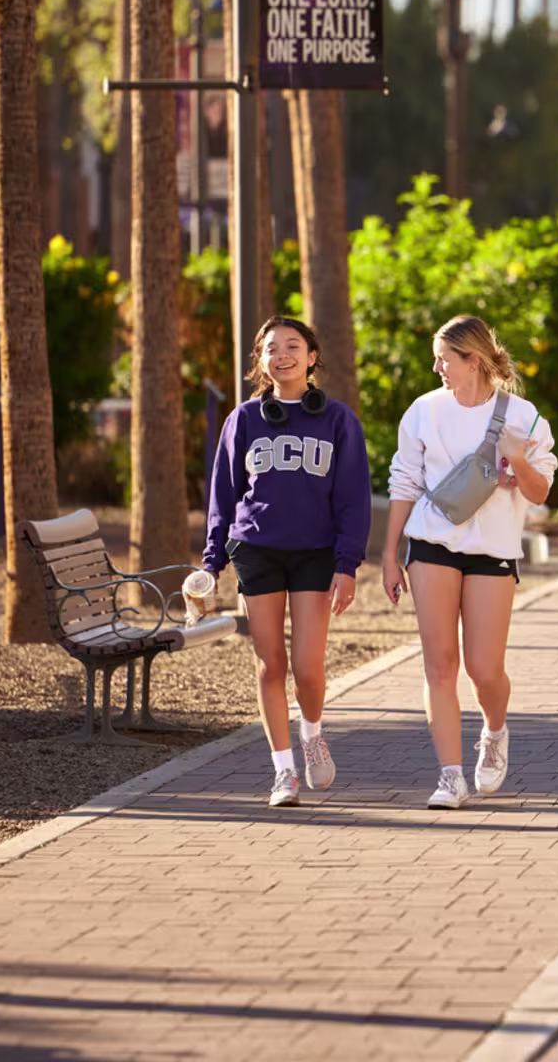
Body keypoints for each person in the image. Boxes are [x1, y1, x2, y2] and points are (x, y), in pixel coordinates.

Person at [382, 315, 558, 809]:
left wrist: (517, 460)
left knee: (484, 670)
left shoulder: (522, 416)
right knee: (440, 664)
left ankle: (495, 731)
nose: (436, 367)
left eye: (444, 358)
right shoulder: (424, 411)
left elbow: (541, 492)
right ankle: (449, 776)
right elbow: (404, 484)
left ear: (472, 360)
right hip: (430, 544)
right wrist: (390, 556)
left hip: (492, 552)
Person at [204, 317, 370, 808]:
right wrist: (211, 562)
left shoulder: (339, 421)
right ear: (261, 360)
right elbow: (223, 493)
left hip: (317, 554)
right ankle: (283, 772)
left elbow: (354, 499)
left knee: (308, 667)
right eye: (272, 348)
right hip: (257, 549)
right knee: (269, 663)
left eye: (293, 346)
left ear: (312, 357)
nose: (283, 355)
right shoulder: (243, 420)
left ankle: (313, 734)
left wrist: (347, 563)